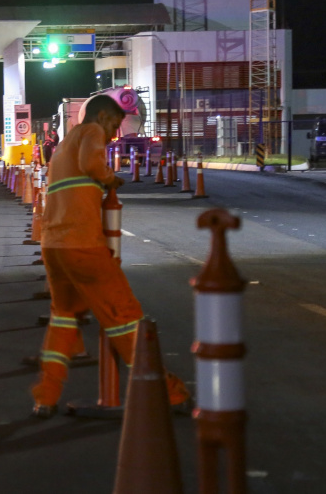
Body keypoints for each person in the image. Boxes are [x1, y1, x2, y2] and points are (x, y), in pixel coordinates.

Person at [30, 93, 190, 418]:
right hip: (82, 244)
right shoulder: (91, 132)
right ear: (102, 117)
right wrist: (110, 178)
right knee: (124, 316)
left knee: (63, 318)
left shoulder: (63, 143)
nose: (116, 133)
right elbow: (92, 164)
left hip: (53, 245)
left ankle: (45, 397)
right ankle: (166, 392)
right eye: (115, 124)